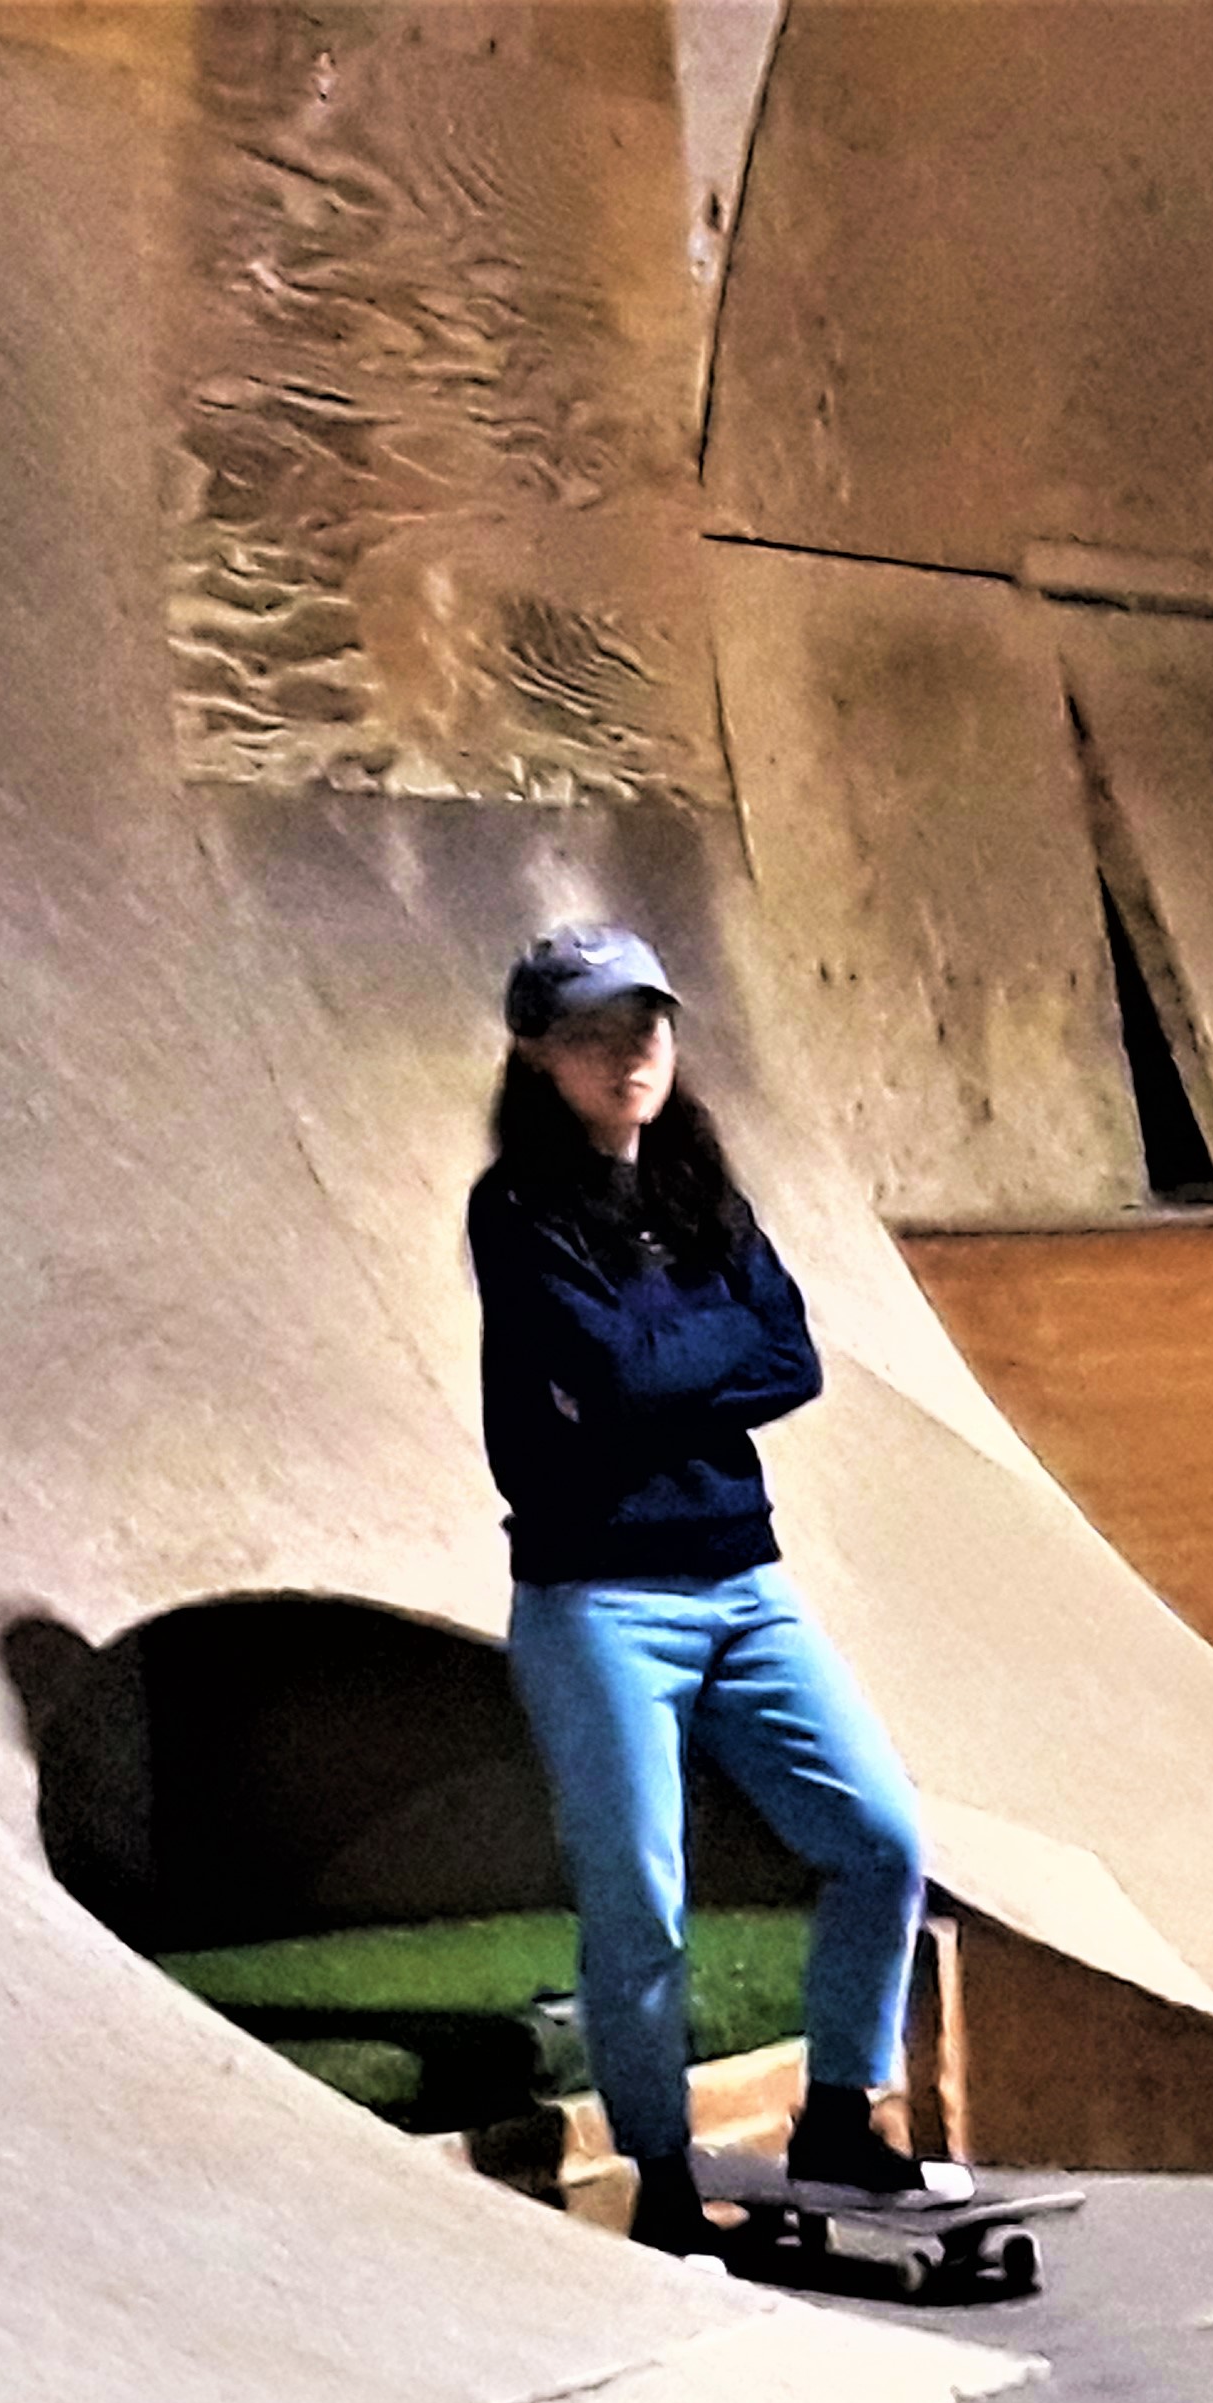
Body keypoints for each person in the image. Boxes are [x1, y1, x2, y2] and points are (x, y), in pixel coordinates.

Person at [471, 923, 944, 2253]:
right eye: (596, 1033)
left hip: (744, 1583)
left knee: (880, 1839)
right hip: (600, 1608)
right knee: (640, 1897)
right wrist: (682, 1359)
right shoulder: (517, 1210)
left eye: (647, 1027)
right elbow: (631, 1375)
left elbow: (791, 1358)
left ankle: (842, 2113)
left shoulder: (702, 1192)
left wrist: (653, 1368)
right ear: (537, 1053)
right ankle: (666, 2181)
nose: (630, 1054)